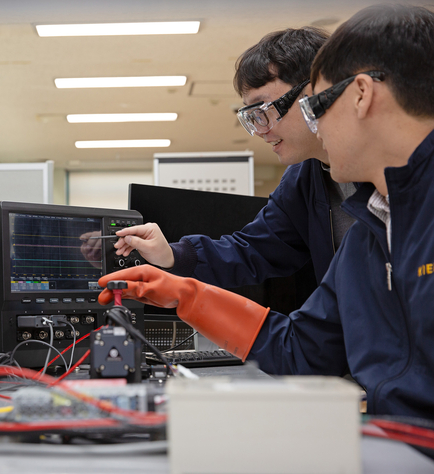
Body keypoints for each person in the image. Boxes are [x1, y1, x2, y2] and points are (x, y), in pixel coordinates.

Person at [100, 3, 434, 420]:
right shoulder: (367, 231)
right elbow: (301, 347)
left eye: (319, 106)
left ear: (361, 95)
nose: (319, 126)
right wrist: (184, 291)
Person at [113, 27, 358, 295]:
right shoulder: (303, 179)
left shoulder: (387, 166)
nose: (261, 130)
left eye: (264, 110)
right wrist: (172, 255)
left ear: (315, 92)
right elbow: (254, 250)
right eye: (251, 118)